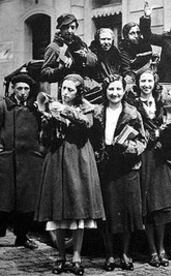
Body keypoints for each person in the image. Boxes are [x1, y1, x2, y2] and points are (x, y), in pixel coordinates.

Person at [34, 74, 105, 275]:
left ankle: (76, 256)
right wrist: (47, 121)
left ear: (78, 92)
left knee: (78, 208)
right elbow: (44, 139)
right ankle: (60, 256)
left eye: (70, 90)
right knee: (58, 207)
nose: (65, 93)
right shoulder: (52, 105)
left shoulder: (87, 108)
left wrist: (64, 111)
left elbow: (86, 124)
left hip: (79, 158)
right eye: (63, 88)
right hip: (57, 158)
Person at [125, 70, 171, 267]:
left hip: (162, 158)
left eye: (149, 81)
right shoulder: (133, 106)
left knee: (163, 205)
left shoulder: (162, 103)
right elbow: (134, 131)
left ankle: (162, 248)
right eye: (142, 81)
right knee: (149, 206)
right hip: (145, 156)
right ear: (137, 83)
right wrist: (158, 132)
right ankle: (152, 250)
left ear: (154, 82)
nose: (146, 84)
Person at [93, 75, 147, 271]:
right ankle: (109, 255)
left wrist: (129, 148)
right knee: (107, 211)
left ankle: (124, 253)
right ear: (105, 91)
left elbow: (143, 140)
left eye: (118, 89)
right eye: (110, 89)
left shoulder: (133, 113)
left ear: (124, 91)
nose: (114, 93)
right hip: (106, 165)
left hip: (126, 166)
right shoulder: (98, 112)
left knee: (126, 212)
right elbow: (92, 138)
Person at [0, 73, 43, 250]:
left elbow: (42, 129)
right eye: (20, 88)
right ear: (13, 89)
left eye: (26, 88)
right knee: (4, 200)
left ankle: (22, 236)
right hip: (8, 159)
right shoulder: (4, 105)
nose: (23, 92)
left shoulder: (35, 108)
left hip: (29, 161)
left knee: (26, 202)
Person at [41, 14, 97, 85]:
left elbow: (95, 61)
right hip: (67, 89)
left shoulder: (81, 44)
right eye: (66, 28)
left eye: (72, 27)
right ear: (60, 28)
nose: (69, 31)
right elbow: (44, 74)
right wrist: (60, 70)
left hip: (84, 86)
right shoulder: (54, 47)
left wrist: (86, 56)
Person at [119, 20, 153, 86]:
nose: (136, 35)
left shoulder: (145, 45)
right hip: (132, 78)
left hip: (147, 75)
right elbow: (127, 70)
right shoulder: (124, 49)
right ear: (126, 35)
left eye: (138, 33)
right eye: (132, 33)